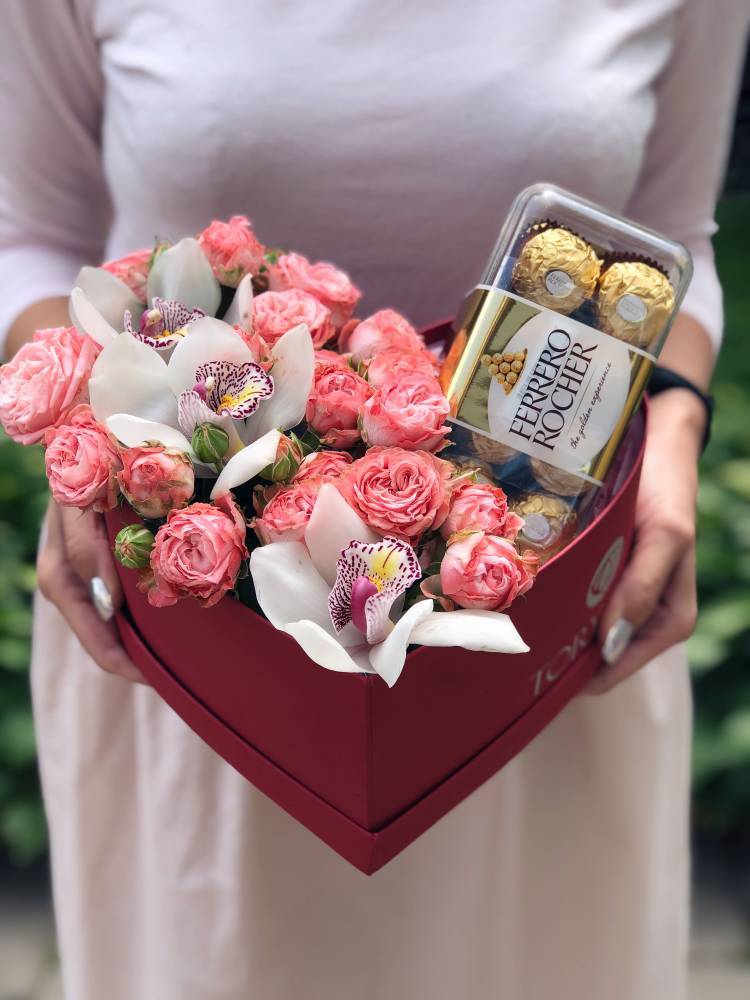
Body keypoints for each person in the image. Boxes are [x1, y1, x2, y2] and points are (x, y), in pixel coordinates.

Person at [0, 2, 747, 998]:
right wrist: (97, 445)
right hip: (209, 637)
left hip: (540, 617)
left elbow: (672, 242)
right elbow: (30, 235)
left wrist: (675, 439)